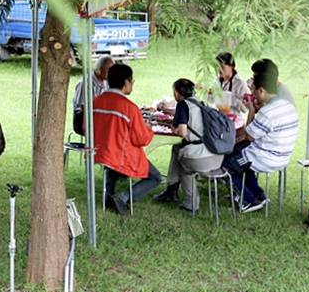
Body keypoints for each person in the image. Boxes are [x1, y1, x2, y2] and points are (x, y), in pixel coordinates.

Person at [223, 65, 299, 212]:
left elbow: (248, 136)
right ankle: (259, 195)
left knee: (226, 162)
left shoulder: (268, 112)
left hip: (266, 157)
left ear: (262, 90)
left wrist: (251, 110)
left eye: (254, 91)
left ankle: (248, 200)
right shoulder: (286, 105)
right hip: (283, 156)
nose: (253, 94)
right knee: (240, 159)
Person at [92, 63, 161, 214]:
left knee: (111, 165)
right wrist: (148, 128)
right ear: (126, 82)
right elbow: (141, 139)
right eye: (132, 81)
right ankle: (123, 197)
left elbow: (86, 128)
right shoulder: (129, 108)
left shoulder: (96, 101)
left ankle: (108, 196)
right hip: (121, 154)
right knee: (155, 177)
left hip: (99, 151)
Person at [153, 79, 224, 212]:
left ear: (176, 92)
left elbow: (182, 133)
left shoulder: (182, 105)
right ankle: (171, 189)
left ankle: (190, 204)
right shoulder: (201, 104)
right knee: (177, 149)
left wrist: (173, 128)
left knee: (185, 166)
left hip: (199, 159)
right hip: (216, 156)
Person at [72, 55, 114, 135]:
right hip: (82, 118)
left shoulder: (106, 81)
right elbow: (83, 107)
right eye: (109, 70)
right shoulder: (86, 83)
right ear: (99, 70)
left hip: (98, 115)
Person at [212, 53, 252, 129]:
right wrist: (210, 94)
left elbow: (245, 109)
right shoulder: (217, 82)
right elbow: (211, 102)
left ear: (232, 67)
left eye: (222, 67)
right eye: (217, 67)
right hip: (220, 120)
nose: (218, 69)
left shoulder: (240, 84)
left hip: (235, 124)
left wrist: (231, 99)